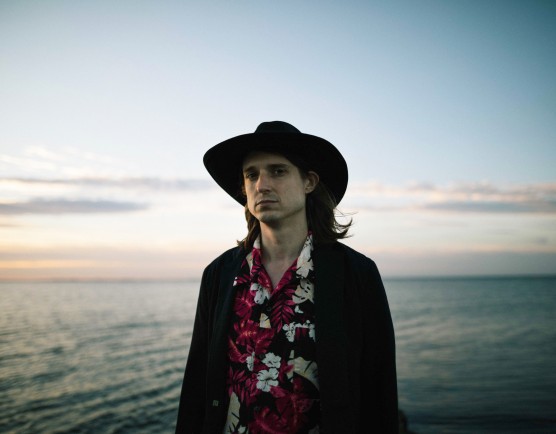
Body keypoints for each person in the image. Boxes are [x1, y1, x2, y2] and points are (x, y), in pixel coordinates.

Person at [175, 121, 398, 434]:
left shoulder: (356, 274)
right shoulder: (219, 274)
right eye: (251, 174)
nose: (261, 184)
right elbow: (198, 383)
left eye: (278, 171)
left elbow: (379, 388)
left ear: (309, 182)